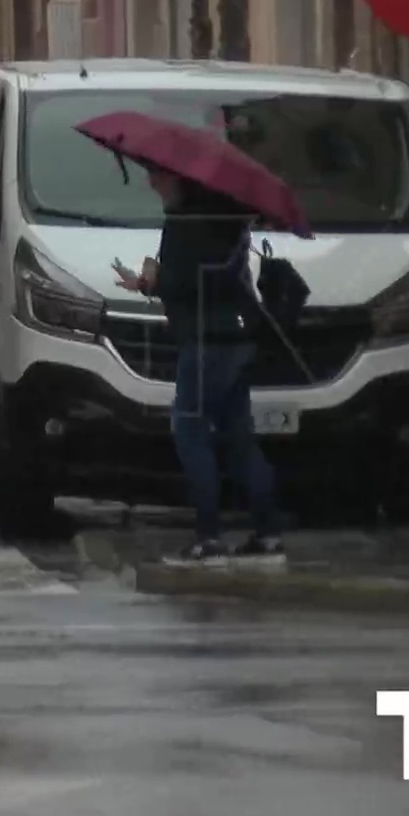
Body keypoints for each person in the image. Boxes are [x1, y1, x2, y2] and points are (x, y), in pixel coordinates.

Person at [114, 167, 284, 566]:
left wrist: (151, 281)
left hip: (207, 342)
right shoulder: (228, 217)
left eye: (158, 176)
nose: (152, 183)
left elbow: (191, 282)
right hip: (237, 339)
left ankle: (208, 539)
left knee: (191, 433)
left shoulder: (186, 222)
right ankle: (269, 534)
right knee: (238, 438)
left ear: (180, 179)